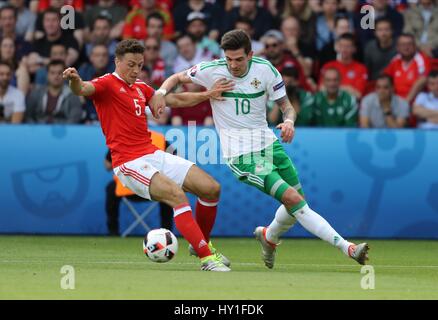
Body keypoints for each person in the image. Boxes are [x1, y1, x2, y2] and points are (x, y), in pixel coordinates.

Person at [154, 30, 369, 269]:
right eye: (229, 59)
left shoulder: (265, 70)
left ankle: (269, 236)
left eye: (239, 59)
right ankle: (348, 248)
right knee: (293, 199)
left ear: (250, 55)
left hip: (269, 146)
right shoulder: (211, 69)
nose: (233, 65)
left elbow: (287, 107)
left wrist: (289, 122)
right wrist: (161, 93)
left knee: (297, 203)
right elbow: (175, 78)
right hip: (242, 156)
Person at [63, 39, 234, 272]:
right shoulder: (106, 84)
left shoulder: (141, 88)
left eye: (140, 65)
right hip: (128, 162)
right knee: (176, 195)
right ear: (117, 61)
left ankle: (200, 244)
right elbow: (83, 89)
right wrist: (74, 80)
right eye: (130, 64)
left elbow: (173, 99)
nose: (135, 70)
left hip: (152, 154)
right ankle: (207, 258)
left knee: (211, 188)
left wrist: (209, 94)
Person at [104, 149, 173, 236]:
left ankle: (112, 232)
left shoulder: (121, 141)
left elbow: (108, 165)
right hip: (150, 187)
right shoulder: (160, 140)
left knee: (167, 190)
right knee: (167, 190)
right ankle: (167, 231)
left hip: (132, 187)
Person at [26, 60, 82, 124]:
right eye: (52, 73)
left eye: (59, 73)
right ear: (47, 75)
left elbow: (75, 118)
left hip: (64, 131)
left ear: (65, 75)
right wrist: (35, 130)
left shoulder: (72, 94)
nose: (56, 76)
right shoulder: (36, 93)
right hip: (39, 130)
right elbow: (28, 116)